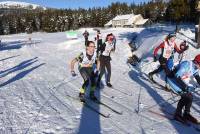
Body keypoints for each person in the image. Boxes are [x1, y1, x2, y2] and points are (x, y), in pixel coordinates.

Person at [166, 54, 200, 124]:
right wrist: (185, 87)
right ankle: (177, 114)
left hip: (179, 81)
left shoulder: (195, 67)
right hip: (173, 80)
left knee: (189, 96)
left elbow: (197, 76)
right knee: (186, 95)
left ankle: (186, 114)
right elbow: (177, 75)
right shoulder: (187, 65)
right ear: (197, 62)